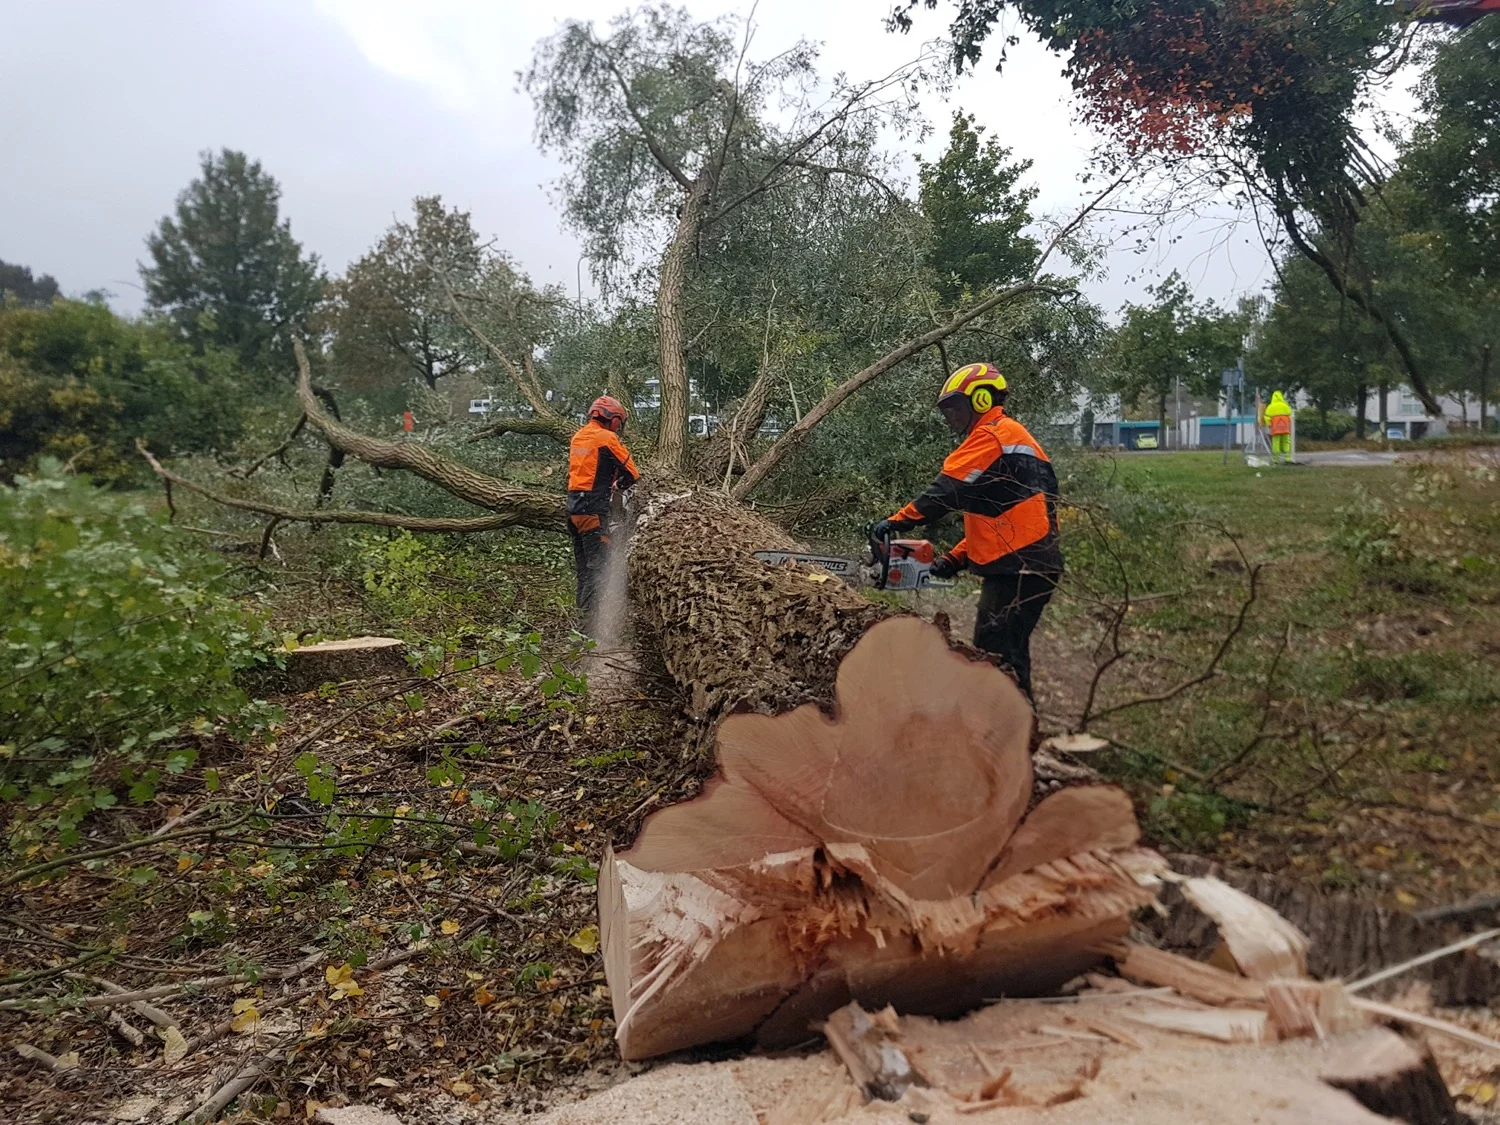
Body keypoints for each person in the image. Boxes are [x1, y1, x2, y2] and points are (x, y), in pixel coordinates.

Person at [873, 363, 1063, 701]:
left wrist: (897, 521)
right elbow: (1002, 520)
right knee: (1006, 651)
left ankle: (1011, 737)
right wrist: (952, 560)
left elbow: (946, 490)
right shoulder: (1009, 439)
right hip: (1028, 563)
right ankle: (1016, 732)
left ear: (980, 399)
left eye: (957, 407)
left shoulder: (993, 434)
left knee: (996, 654)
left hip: (1019, 566)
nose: (953, 417)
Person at [567, 395, 639, 631]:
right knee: (599, 570)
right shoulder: (607, 438)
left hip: (573, 511)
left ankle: (581, 625)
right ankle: (592, 630)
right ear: (614, 419)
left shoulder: (579, 436)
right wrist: (621, 485)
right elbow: (632, 473)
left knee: (584, 572)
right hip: (594, 512)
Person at [1265, 390, 1293, 465]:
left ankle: (1276, 460)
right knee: (1286, 442)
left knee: (1276, 443)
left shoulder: (1270, 407)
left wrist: (1270, 425)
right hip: (1285, 428)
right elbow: (1289, 416)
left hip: (1275, 428)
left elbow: (1267, 417)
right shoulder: (1285, 406)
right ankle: (1287, 459)